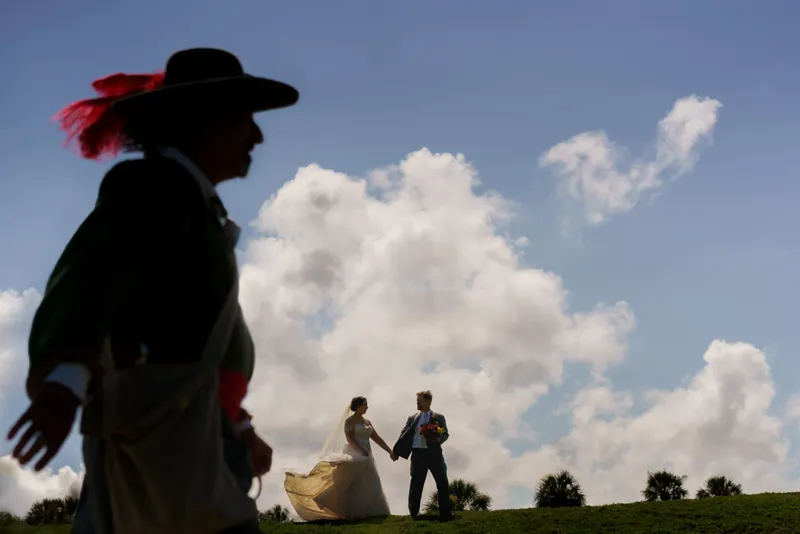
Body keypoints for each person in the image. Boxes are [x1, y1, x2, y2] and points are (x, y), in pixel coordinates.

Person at [5, 48, 299, 534]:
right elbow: (92, 282)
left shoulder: (193, 205)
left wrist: (239, 427)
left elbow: (185, 336)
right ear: (201, 121)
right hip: (161, 452)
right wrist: (64, 386)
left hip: (196, 439)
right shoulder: (149, 188)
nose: (258, 135)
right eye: (245, 118)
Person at [284, 396, 392, 521]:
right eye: (365, 404)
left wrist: (389, 451)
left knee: (366, 483)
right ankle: (337, 506)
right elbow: (350, 439)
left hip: (367, 455)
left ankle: (366, 512)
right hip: (355, 453)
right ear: (358, 406)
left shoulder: (367, 422)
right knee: (346, 482)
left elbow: (376, 437)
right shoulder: (350, 421)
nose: (367, 407)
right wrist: (360, 450)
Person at [391, 390, 453, 521]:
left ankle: (445, 513)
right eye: (417, 401)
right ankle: (414, 513)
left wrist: (438, 439)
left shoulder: (439, 417)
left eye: (419, 400)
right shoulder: (412, 418)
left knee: (442, 481)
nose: (417, 403)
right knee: (416, 483)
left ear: (428, 401)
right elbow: (403, 434)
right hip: (417, 454)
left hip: (435, 454)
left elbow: (445, 434)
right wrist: (396, 451)